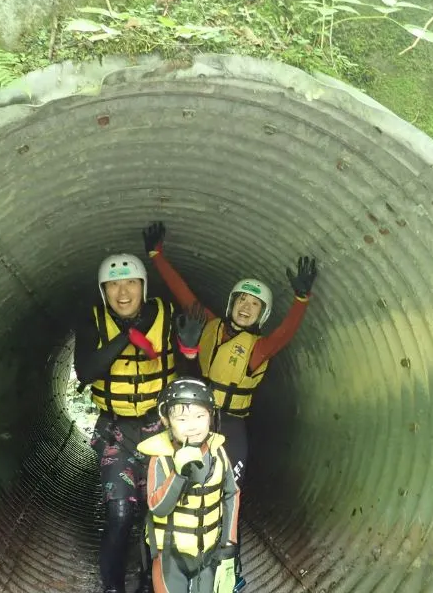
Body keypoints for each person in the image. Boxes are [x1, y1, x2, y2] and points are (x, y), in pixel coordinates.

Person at [142, 221, 318, 589]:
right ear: (231, 303)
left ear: (260, 315)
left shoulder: (258, 349)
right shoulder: (208, 324)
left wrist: (301, 300)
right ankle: (165, 567)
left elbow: (285, 334)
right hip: (193, 422)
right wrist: (157, 256)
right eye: (242, 300)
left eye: (254, 305)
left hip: (232, 430)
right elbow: (182, 292)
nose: (246, 308)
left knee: (225, 498)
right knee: (175, 490)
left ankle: (227, 571)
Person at [74, 253, 205, 593]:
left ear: (143, 287)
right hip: (116, 431)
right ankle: (113, 587)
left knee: (159, 512)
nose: (122, 292)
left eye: (130, 283)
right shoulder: (92, 320)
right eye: (113, 285)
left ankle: (152, 583)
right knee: (119, 513)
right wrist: (127, 336)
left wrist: (189, 351)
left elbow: (191, 382)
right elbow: (86, 372)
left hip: (159, 430)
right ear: (104, 291)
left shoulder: (166, 315)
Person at [137, 377, 240, 593]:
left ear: (211, 417)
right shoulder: (162, 458)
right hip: (171, 557)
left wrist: (229, 543)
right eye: (182, 419)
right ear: (166, 421)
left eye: (200, 416)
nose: (192, 426)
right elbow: (158, 508)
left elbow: (231, 494)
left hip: (208, 553)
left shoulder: (217, 452)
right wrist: (178, 474)